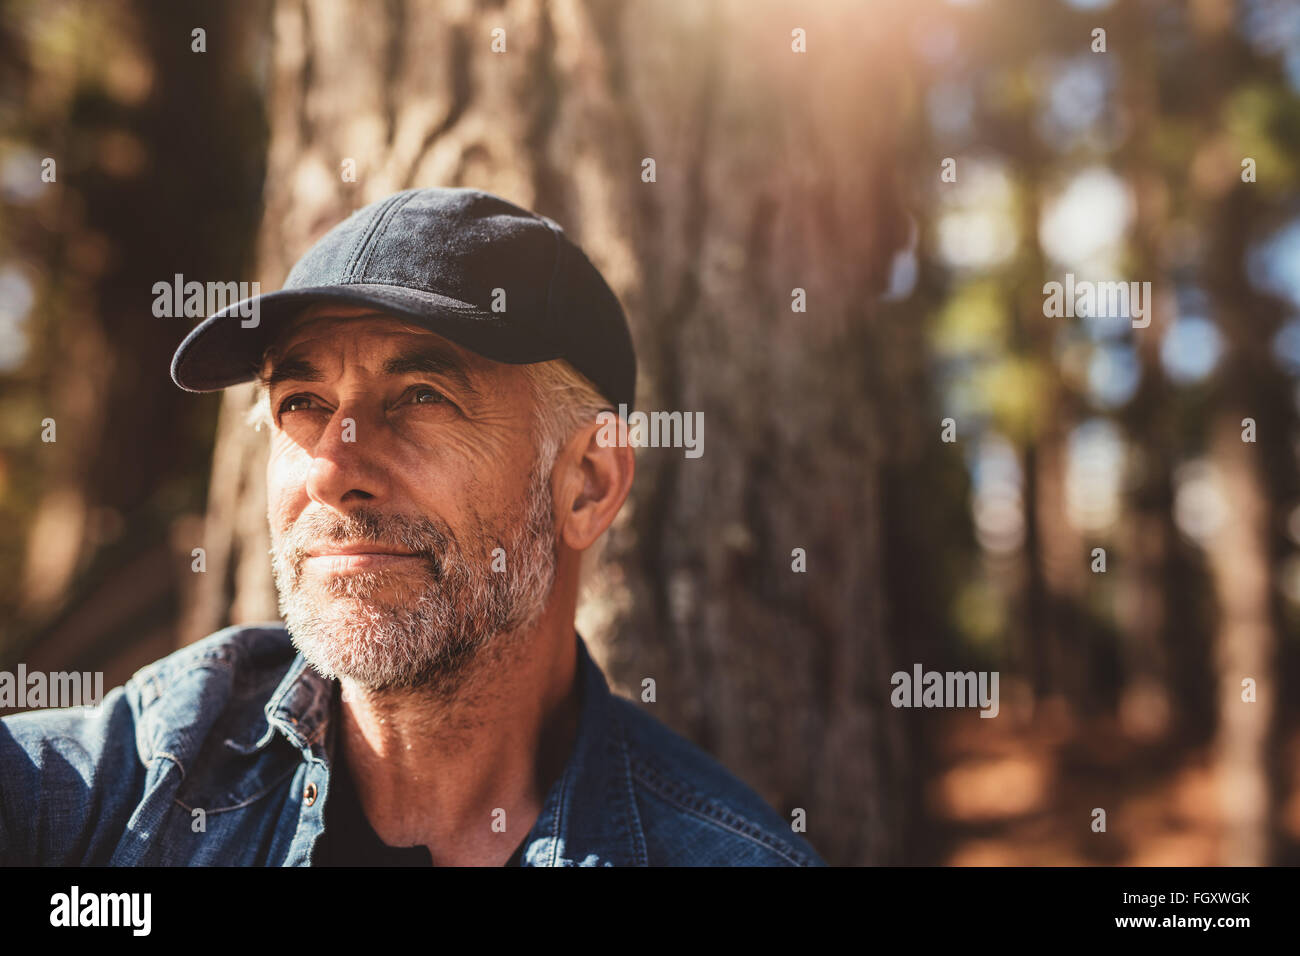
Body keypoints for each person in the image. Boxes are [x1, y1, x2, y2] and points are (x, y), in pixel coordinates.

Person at [0, 187, 826, 866]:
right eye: (303, 404)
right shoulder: (146, 774)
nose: (334, 467)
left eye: (421, 399)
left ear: (587, 483)